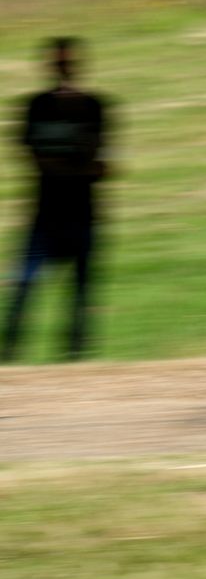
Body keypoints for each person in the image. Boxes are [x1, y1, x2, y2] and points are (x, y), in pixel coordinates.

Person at [4, 37, 111, 361]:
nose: (64, 67)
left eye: (67, 61)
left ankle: (74, 358)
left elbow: (102, 162)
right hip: (47, 213)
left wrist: (67, 166)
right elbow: (36, 156)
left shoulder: (95, 106)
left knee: (79, 293)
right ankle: (8, 355)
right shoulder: (35, 106)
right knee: (24, 286)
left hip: (81, 212)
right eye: (59, 61)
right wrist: (80, 166)